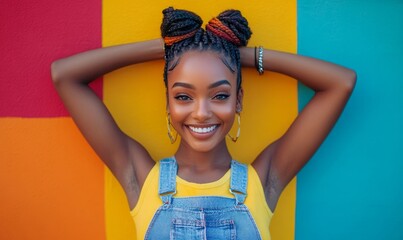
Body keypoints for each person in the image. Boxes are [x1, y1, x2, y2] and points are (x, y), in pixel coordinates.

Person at [51, 7, 356, 240]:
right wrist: (172, 48)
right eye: (183, 97)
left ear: (238, 100)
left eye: (220, 95)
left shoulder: (263, 182)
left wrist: (239, 56)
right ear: (167, 104)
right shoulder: (142, 181)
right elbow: (65, 75)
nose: (201, 113)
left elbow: (340, 83)